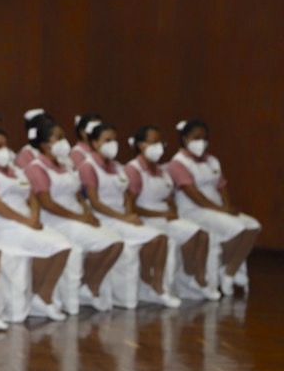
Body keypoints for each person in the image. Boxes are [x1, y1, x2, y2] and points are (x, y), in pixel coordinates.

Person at [24, 120, 124, 312]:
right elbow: (47, 202)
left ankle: (89, 285)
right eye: (59, 138)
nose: (65, 141)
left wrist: (87, 213)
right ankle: (69, 291)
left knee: (117, 242)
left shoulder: (66, 165)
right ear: (45, 144)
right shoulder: (36, 168)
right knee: (107, 243)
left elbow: (78, 193)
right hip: (57, 220)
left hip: (77, 216)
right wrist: (79, 218)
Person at [0, 128, 73, 320]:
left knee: (65, 245)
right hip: (3, 225)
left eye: (6, 145)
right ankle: (39, 297)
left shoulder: (16, 171)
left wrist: (34, 217)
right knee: (56, 246)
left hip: (28, 222)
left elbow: (32, 197)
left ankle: (42, 297)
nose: (4, 150)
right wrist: (25, 221)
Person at [78, 121, 179, 307]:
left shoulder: (117, 166)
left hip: (121, 217)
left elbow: (126, 196)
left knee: (161, 239)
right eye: (107, 140)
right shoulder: (88, 166)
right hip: (105, 217)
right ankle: (143, 282)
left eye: (114, 139)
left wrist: (130, 215)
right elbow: (95, 202)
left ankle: (156, 287)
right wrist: (124, 218)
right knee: (154, 238)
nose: (112, 144)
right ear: (94, 143)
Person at [167, 118, 261, 297]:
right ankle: (221, 266)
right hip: (195, 210)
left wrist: (226, 206)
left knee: (253, 226)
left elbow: (221, 185)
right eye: (196, 137)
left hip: (216, 208)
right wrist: (222, 211)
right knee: (238, 228)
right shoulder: (178, 163)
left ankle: (229, 272)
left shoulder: (212, 160)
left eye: (204, 137)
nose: (201, 141)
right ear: (185, 139)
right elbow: (193, 194)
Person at [124, 125, 219, 301]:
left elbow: (169, 197)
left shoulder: (161, 170)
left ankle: (195, 279)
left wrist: (173, 211)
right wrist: (159, 215)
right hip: (148, 217)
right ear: (141, 145)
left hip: (165, 216)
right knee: (165, 239)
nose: (159, 146)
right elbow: (131, 205)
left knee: (202, 235)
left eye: (161, 142)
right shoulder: (134, 170)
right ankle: (157, 287)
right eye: (154, 142)